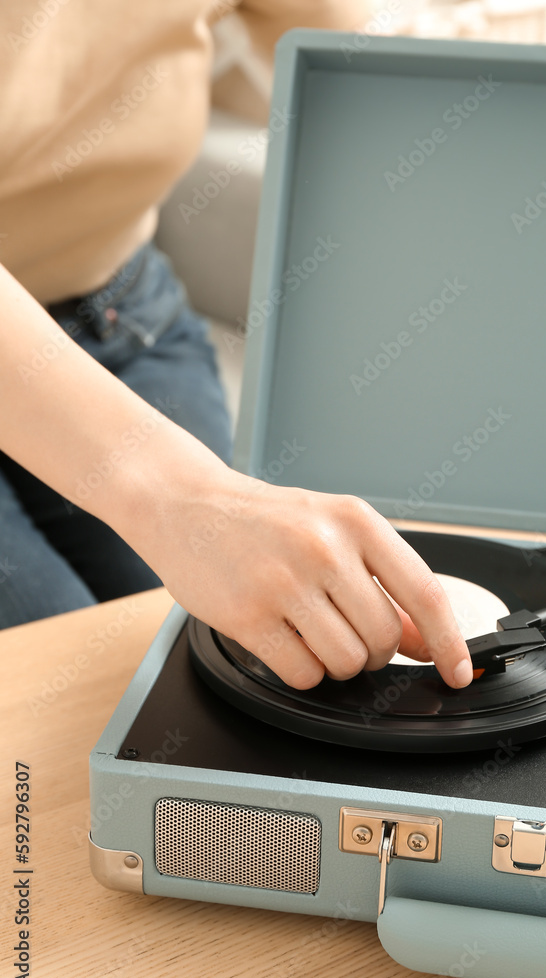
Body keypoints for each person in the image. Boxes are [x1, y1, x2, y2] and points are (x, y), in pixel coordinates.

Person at [0, 0, 473, 690]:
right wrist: (183, 498)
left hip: (119, 313)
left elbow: (345, 59)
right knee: (59, 707)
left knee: (209, 668)